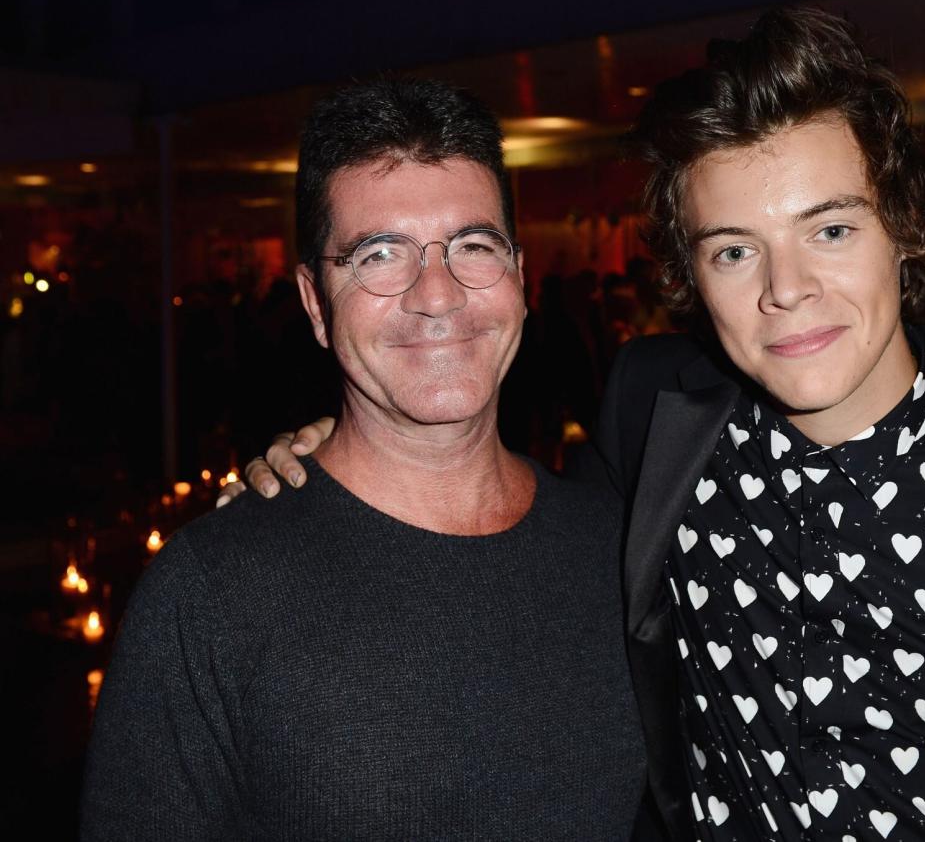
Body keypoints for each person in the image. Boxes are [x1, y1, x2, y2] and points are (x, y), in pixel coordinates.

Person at [237, 8, 925, 841]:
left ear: (906, 226)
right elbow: (522, 547)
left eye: (830, 229)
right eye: (734, 251)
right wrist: (344, 465)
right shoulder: (653, 407)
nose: (788, 291)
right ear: (690, 274)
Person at [81, 78, 646, 841]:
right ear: (316, 303)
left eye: (473, 246)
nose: (438, 295)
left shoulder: (621, 549)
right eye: (380, 255)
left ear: (519, 274)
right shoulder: (211, 594)